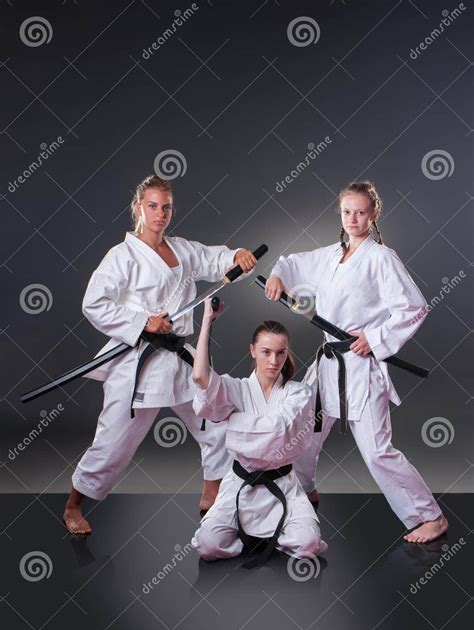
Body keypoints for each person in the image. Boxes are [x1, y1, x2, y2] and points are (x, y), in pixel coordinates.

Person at [63, 174, 257, 534]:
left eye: (166, 206)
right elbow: (94, 303)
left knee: (216, 423)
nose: (160, 213)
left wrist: (237, 256)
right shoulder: (122, 256)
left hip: (180, 360)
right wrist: (143, 321)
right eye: (152, 206)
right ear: (139, 208)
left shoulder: (181, 249)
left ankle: (211, 499)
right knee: (113, 443)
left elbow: (215, 260)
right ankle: (74, 505)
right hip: (139, 361)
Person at [265, 180, 448, 544]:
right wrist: (277, 275)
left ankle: (430, 516)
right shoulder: (334, 255)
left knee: (377, 450)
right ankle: (302, 496)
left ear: (373, 214)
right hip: (329, 362)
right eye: (347, 211)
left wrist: (376, 338)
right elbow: (293, 264)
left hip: (360, 367)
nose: (352, 219)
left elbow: (413, 308)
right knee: (304, 431)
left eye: (360, 212)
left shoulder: (381, 258)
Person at [191, 298, 327, 563]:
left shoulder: (297, 392)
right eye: (266, 352)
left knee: (308, 544)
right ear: (252, 350)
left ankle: (263, 535)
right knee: (208, 546)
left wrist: (234, 424)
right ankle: (255, 534)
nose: (274, 361)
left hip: (284, 485)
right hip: (240, 484)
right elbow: (199, 377)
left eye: (281, 352)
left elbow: (278, 430)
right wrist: (207, 320)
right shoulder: (236, 388)